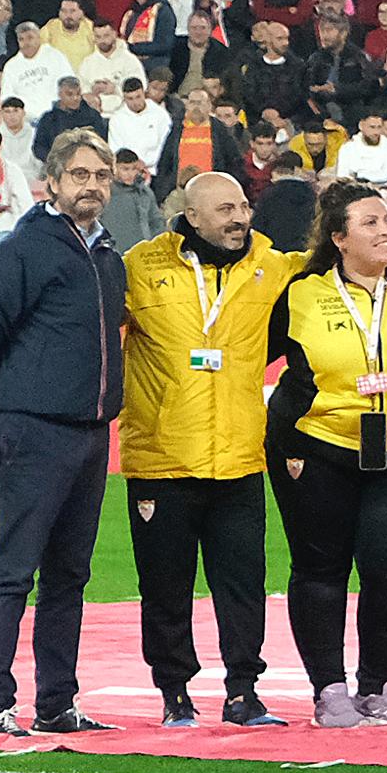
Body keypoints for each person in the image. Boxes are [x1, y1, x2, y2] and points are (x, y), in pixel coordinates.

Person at [0, 132, 127, 738]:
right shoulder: (24, 250)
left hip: (90, 434)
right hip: (33, 433)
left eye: (101, 175)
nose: (92, 186)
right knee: (12, 572)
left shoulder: (107, 253)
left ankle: (56, 702)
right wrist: (4, 423)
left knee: (69, 578)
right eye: (79, 174)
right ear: (51, 182)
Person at [262, 181, 387, 728]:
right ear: (339, 238)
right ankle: (329, 689)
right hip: (316, 450)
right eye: (370, 223)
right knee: (321, 568)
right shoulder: (299, 290)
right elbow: (253, 350)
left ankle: (380, 685)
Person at [115, 167, 296, 727]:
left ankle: (244, 689)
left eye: (244, 207)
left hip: (239, 455)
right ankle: (174, 692)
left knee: (243, 585)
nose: (240, 218)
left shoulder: (272, 265)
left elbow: (340, 267)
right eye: (225, 210)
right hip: (162, 457)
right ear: (191, 216)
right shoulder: (142, 267)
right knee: (165, 586)